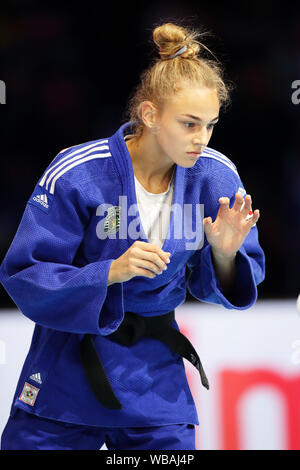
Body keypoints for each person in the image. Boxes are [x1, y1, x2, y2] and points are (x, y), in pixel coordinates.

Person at [0, 22, 265, 450]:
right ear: (149, 115)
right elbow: (24, 275)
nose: (201, 139)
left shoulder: (215, 176)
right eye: (189, 124)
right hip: (66, 369)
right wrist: (108, 272)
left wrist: (224, 255)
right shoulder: (79, 171)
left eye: (210, 125)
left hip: (154, 379)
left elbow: (229, 282)